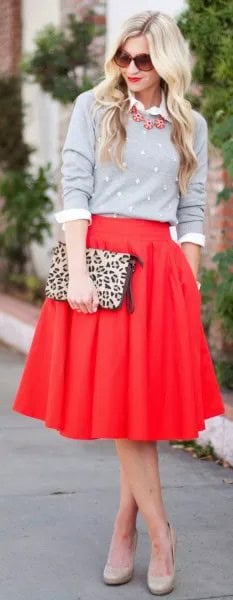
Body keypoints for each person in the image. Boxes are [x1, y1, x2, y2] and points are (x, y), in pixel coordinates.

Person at [12, 10, 224, 596]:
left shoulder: (189, 123)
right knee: (123, 408)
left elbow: (192, 210)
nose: (131, 69)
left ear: (167, 62)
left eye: (144, 59)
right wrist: (76, 270)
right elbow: (74, 185)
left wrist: (190, 285)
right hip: (102, 265)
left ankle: (124, 526)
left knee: (144, 408)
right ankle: (160, 534)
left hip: (161, 272)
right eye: (124, 58)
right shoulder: (94, 107)